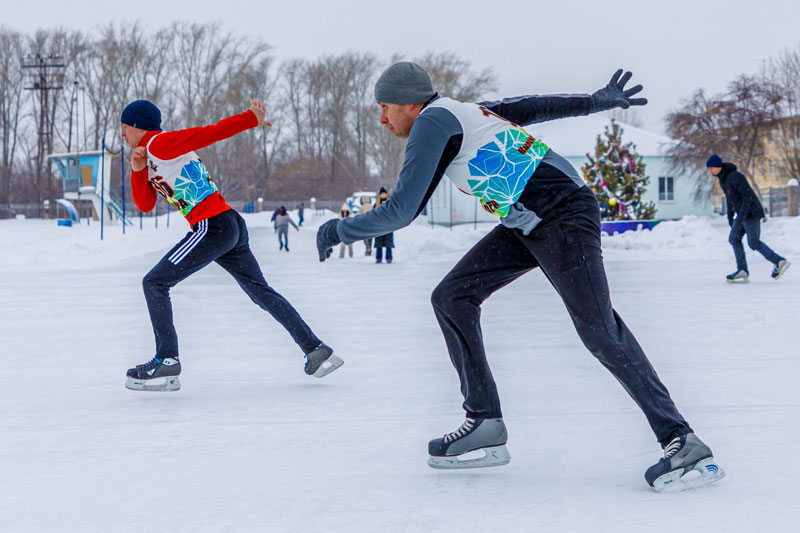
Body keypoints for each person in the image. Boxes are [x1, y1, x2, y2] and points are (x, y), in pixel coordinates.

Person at [316, 62, 723, 491]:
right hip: (527, 222)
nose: (382, 119)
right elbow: (528, 108)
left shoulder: (433, 121)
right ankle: (484, 420)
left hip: (562, 211)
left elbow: (401, 209)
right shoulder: (462, 112)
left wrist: (338, 229)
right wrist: (594, 101)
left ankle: (682, 439)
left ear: (410, 103)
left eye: (385, 107)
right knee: (452, 297)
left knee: (599, 330)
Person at [121, 98, 342, 392]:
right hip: (229, 224)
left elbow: (208, 133)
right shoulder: (149, 157)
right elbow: (145, 204)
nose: (122, 134)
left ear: (136, 126)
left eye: (124, 128)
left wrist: (249, 118)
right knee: (260, 292)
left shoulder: (160, 144)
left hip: (212, 225)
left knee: (154, 283)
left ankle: (167, 360)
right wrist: (138, 169)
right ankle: (316, 349)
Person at [706, 154, 790, 282]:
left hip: (751, 212)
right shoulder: (723, 179)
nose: (710, 170)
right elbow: (730, 199)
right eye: (709, 168)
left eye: (712, 167)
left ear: (718, 166)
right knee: (734, 239)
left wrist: (741, 216)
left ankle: (779, 261)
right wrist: (730, 217)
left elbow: (747, 196)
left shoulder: (735, 176)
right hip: (742, 214)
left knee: (753, 242)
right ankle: (742, 270)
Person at [372, 188, 394, 264]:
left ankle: (389, 258)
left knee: (388, 243)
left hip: (388, 225)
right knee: (379, 243)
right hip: (379, 226)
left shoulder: (390, 203)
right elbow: (373, 214)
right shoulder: (376, 204)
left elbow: (393, 212)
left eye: (384, 193)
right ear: (380, 195)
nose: (383, 195)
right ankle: (378, 258)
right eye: (382, 194)